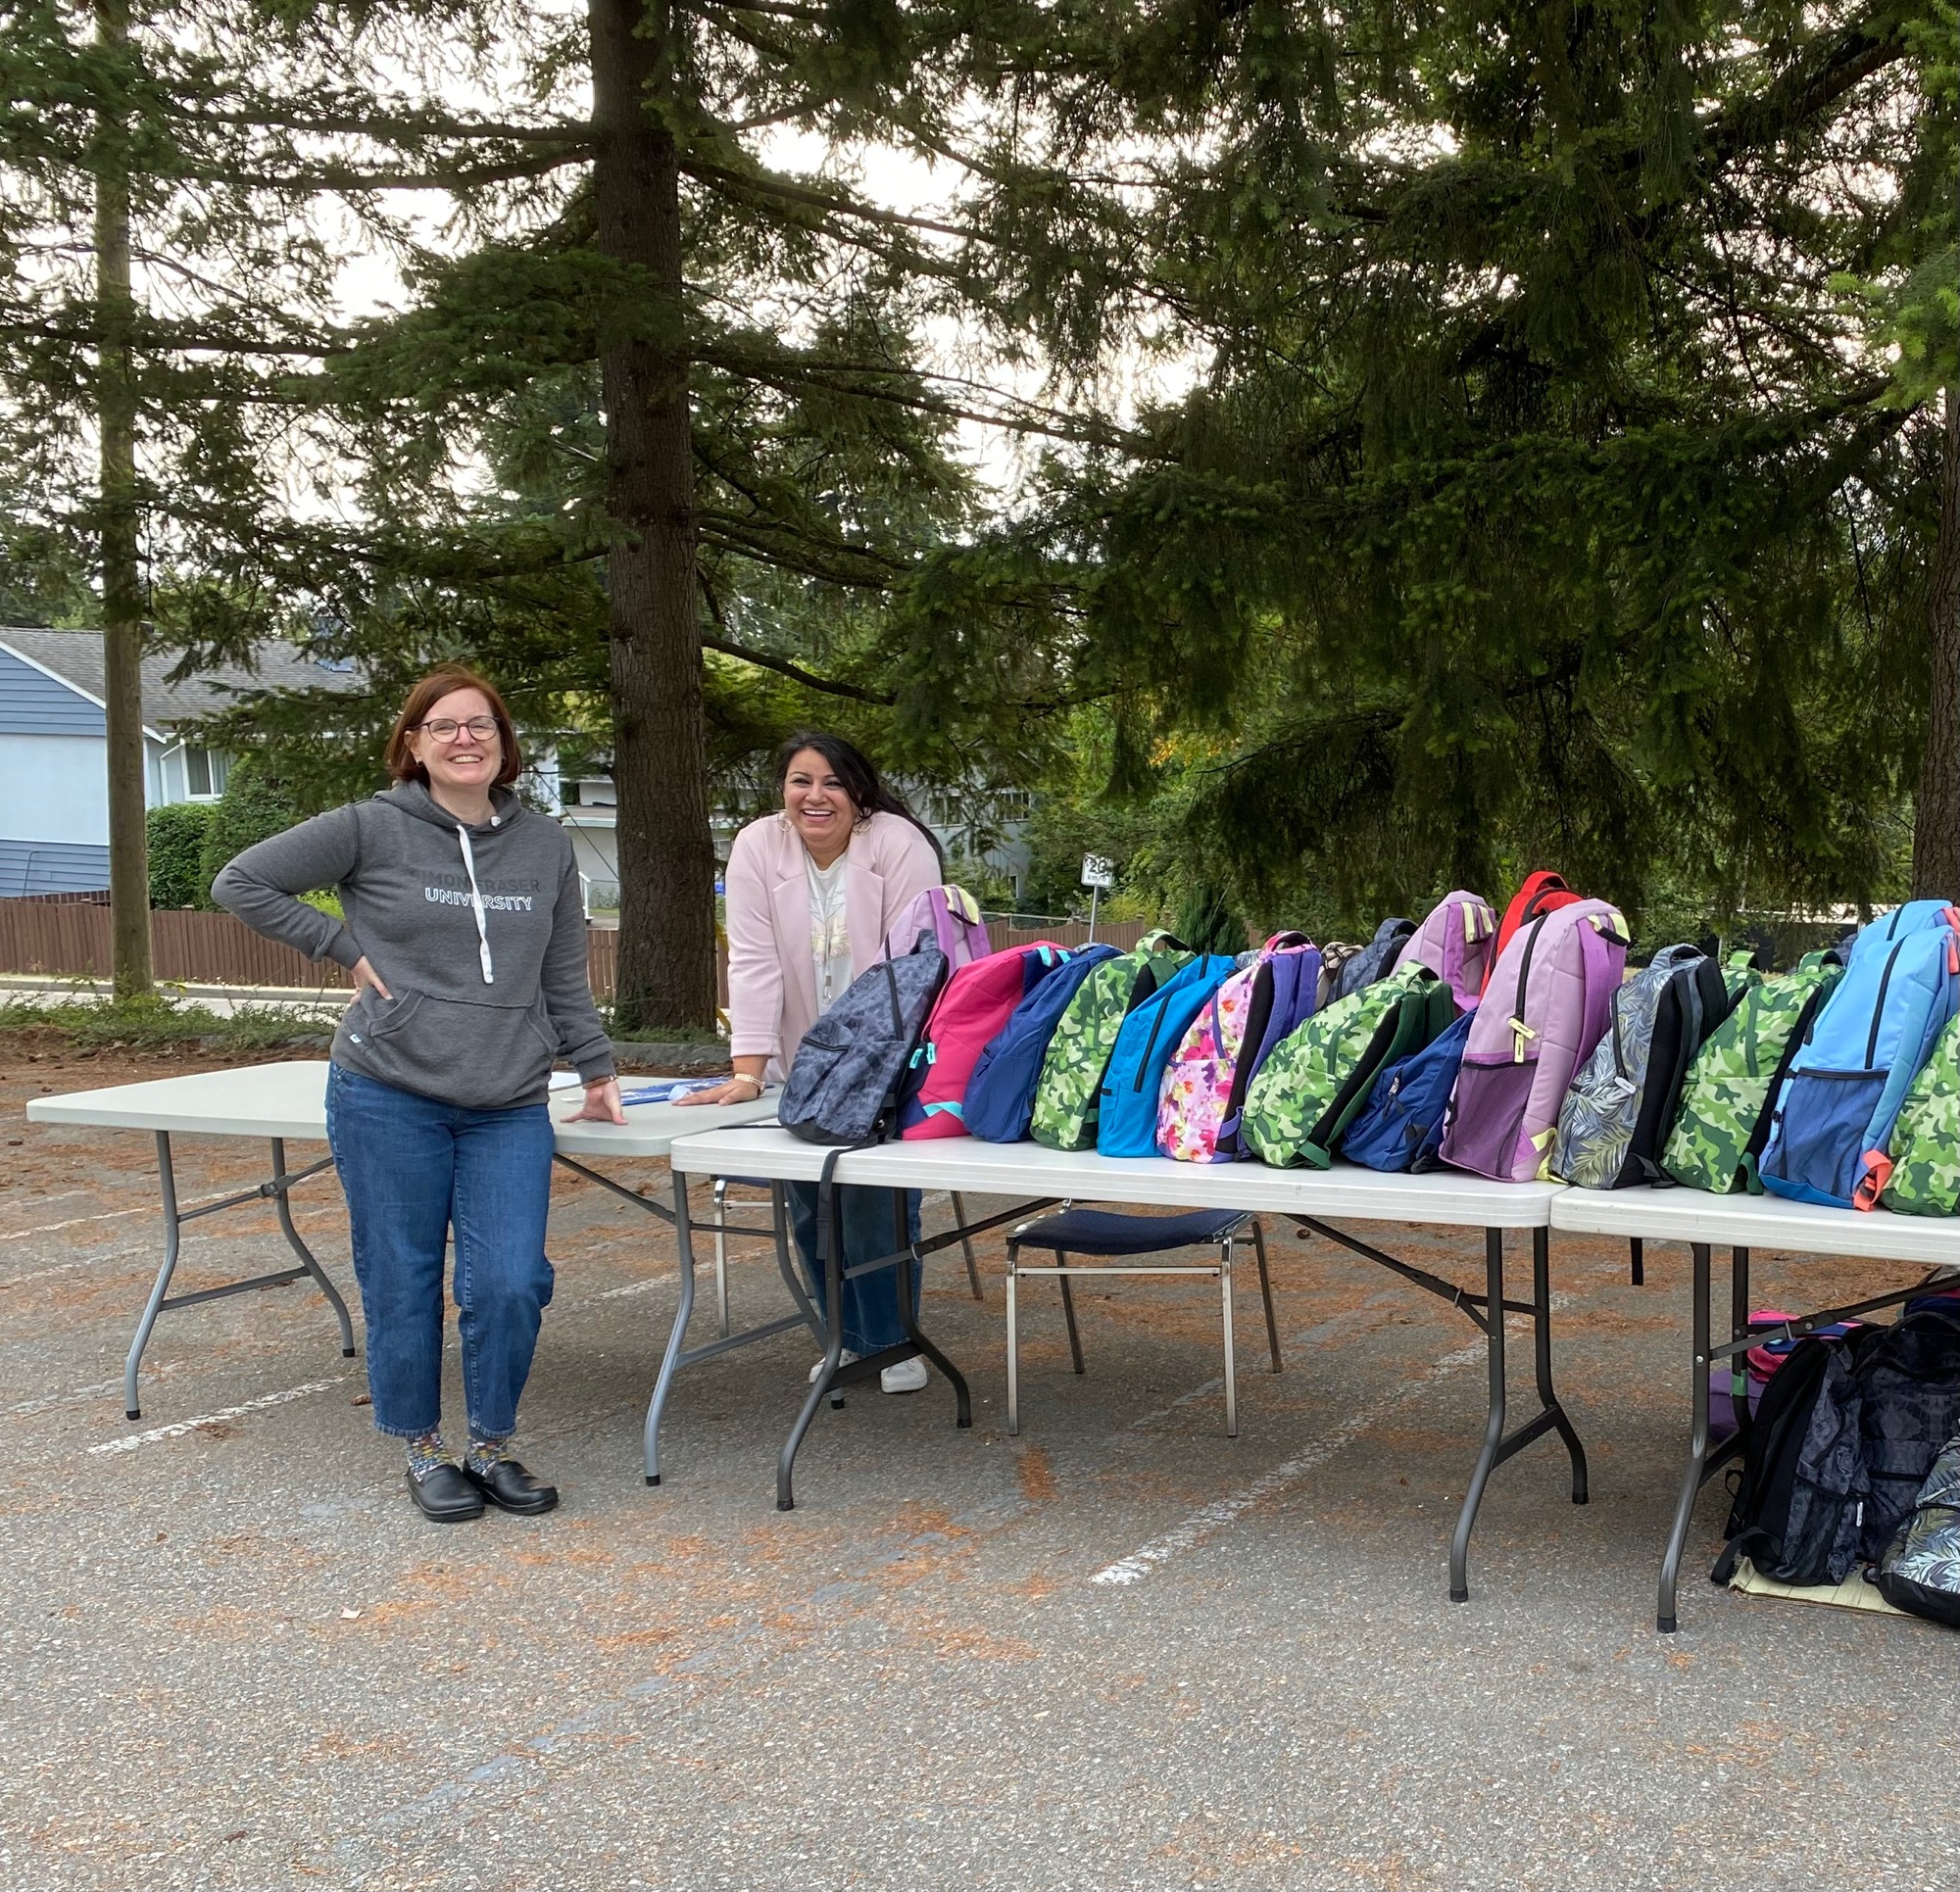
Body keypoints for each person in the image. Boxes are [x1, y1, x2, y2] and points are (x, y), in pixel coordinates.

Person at [213, 664, 625, 1524]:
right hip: (388, 1091)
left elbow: (562, 972)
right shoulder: (370, 826)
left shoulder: (546, 845)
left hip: (507, 1099)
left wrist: (594, 1066)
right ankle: (425, 1447)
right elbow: (240, 881)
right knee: (402, 1275)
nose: (465, 738)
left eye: (481, 724)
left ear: (505, 743)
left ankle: (491, 1445)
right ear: (413, 743)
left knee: (510, 1280)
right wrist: (342, 946)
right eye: (444, 726)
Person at [678, 731, 942, 1390]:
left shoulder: (899, 844)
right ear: (783, 789)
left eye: (833, 783)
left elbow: (912, 969)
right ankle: (842, 1337)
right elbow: (753, 961)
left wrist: (874, 1070)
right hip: (800, 1063)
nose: (815, 796)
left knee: (874, 1207)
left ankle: (892, 1342)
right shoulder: (756, 845)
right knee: (809, 1205)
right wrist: (748, 1071)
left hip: (886, 1061)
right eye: (801, 780)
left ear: (860, 793)